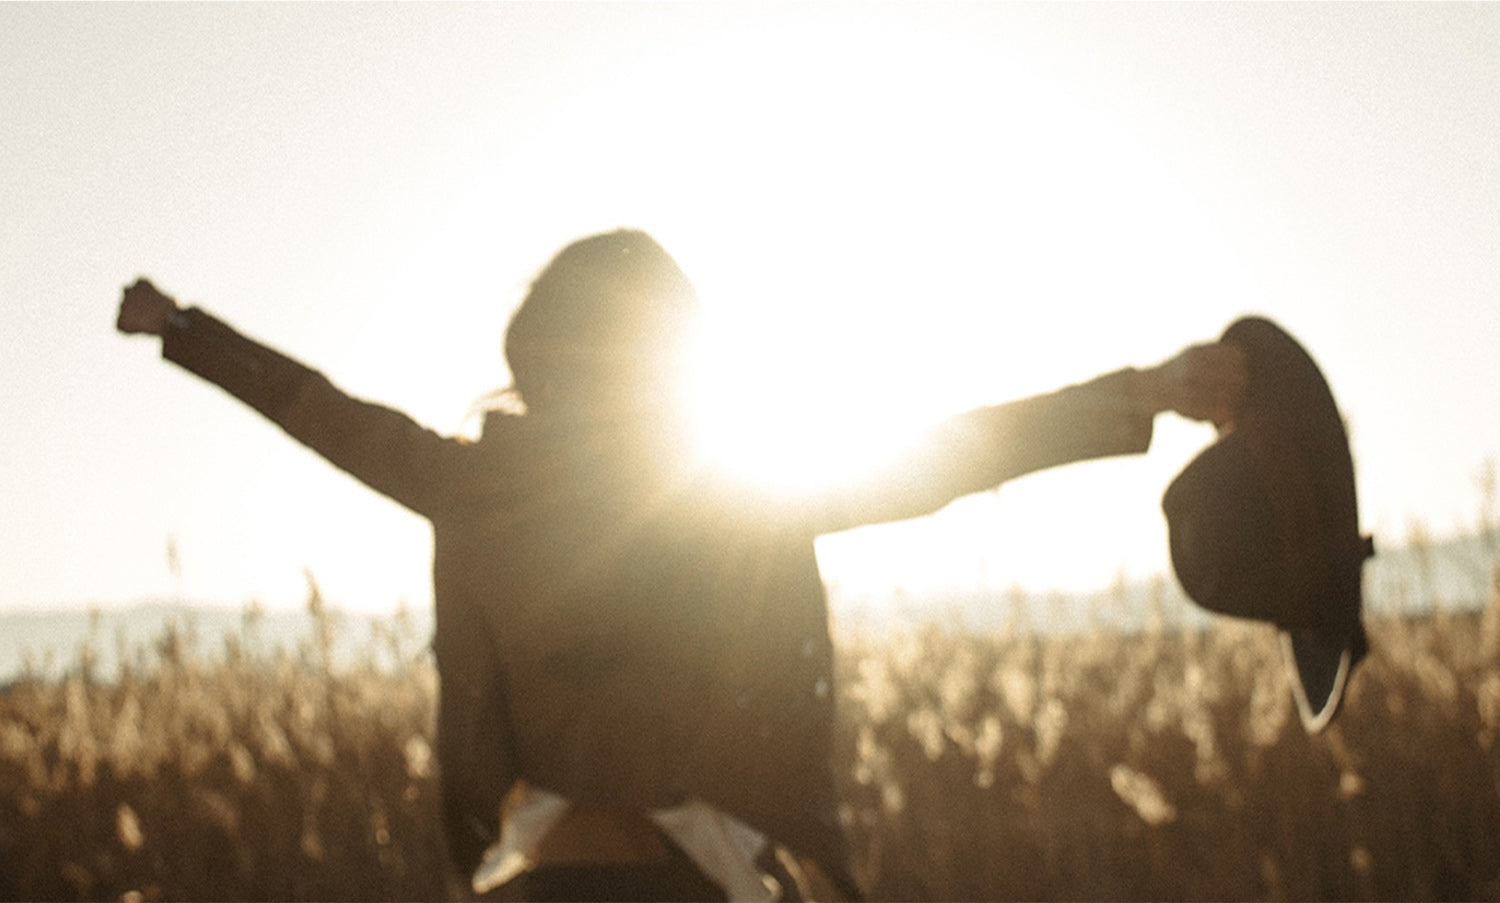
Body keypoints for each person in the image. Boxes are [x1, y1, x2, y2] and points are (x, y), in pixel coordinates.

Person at [117, 229, 1245, 901]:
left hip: (558, 867)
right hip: (695, 866)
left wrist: (184, 332)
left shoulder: (485, 481)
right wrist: (1138, 390)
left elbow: (323, 414)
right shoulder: (732, 493)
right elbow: (947, 454)